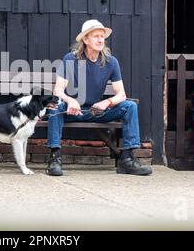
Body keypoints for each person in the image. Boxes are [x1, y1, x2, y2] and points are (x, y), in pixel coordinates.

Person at [46, 19, 152, 176]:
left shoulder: (111, 62)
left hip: (97, 111)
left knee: (130, 106)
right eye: (96, 36)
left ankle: (127, 160)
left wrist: (107, 102)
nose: (100, 40)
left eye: (102, 36)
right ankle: (54, 158)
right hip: (73, 111)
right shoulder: (71, 59)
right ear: (86, 40)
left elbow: (122, 95)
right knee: (55, 108)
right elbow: (58, 91)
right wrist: (70, 100)